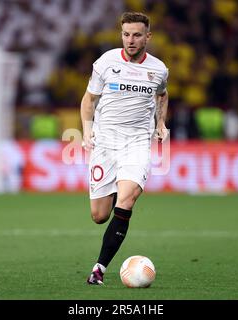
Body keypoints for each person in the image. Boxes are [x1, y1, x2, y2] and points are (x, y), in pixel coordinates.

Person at [80, 12, 169, 285]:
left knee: (126, 200)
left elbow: (162, 95)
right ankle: (122, 184)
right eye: (126, 34)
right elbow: (88, 100)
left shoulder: (158, 69)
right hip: (106, 143)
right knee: (99, 215)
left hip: (137, 143)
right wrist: (86, 129)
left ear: (147, 37)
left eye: (137, 35)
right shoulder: (106, 62)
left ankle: (98, 270)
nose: (131, 40)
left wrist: (161, 122)